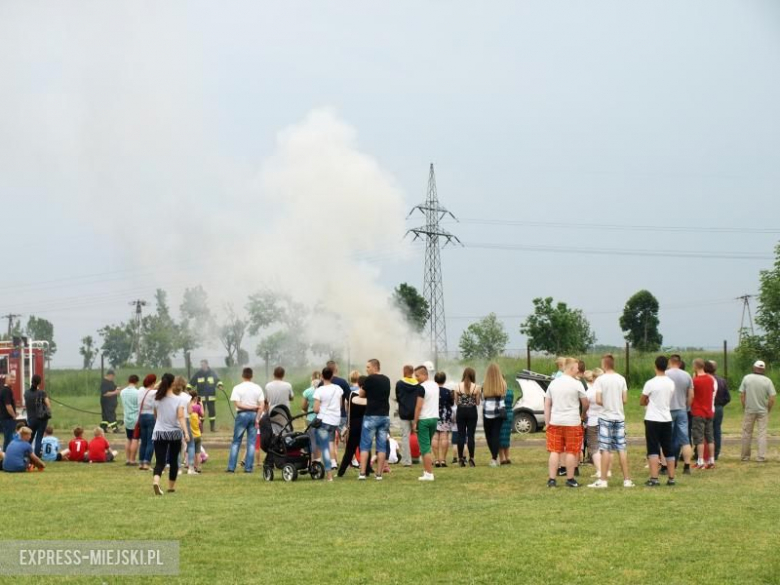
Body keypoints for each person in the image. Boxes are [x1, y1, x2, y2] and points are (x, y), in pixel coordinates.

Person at [590, 354, 634, 489]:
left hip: (605, 417)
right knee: (621, 449)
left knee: (605, 449)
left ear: (604, 364)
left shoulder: (600, 380)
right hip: (619, 417)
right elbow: (625, 399)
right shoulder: (621, 379)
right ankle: (627, 479)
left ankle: (603, 480)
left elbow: (598, 399)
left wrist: (607, 403)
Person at [545, 358, 588, 488]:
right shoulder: (577, 384)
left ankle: (552, 479)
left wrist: (548, 422)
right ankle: (570, 479)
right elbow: (585, 403)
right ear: (570, 368)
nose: (578, 370)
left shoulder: (553, 383)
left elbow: (547, 404)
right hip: (572, 422)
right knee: (571, 451)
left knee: (555, 450)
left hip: (556, 421)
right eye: (576, 368)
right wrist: (583, 414)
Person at [640, 356, 677, 487]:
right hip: (666, 418)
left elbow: (642, 400)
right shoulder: (671, 383)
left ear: (655, 366)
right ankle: (671, 477)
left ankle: (654, 477)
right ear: (666, 366)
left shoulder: (650, 383)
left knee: (653, 448)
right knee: (668, 447)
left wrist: (649, 400)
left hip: (652, 418)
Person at [152, 374, 190, 495]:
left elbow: (155, 414)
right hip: (174, 433)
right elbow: (180, 417)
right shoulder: (178, 399)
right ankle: (171, 487)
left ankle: (156, 481)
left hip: (159, 433)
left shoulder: (156, 397)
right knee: (174, 461)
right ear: (173, 383)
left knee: (160, 461)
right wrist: (186, 432)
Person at [227, 368, 264, 474]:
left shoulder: (237, 388)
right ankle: (248, 468)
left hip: (241, 415)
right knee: (251, 443)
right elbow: (261, 405)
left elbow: (238, 404)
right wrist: (257, 417)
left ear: (242, 376)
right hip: (253, 415)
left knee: (236, 442)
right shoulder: (257, 388)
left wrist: (249, 407)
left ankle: (231, 467)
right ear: (252, 376)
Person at [358, 359, 391, 481]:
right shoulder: (386, 379)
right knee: (381, 446)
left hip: (371, 415)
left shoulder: (370, 379)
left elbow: (361, 394)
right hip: (384, 416)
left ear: (374, 367)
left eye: (368, 367)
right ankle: (379, 474)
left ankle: (362, 473)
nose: (366, 369)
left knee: (365, 445)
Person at [740, 360, 776, 462]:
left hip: (749, 409)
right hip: (762, 410)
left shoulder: (746, 378)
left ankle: (745, 457)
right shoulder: (767, 381)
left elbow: (742, 394)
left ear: (754, 368)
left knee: (747, 433)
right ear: (763, 369)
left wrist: (745, 406)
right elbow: (772, 398)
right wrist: (768, 409)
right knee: (762, 433)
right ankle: (761, 457)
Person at [338, 376, 373, 477]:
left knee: (350, 449)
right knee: (365, 448)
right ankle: (367, 469)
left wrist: (347, 426)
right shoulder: (369, 397)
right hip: (366, 424)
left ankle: (341, 471)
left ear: (358, 383)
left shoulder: (351, 395)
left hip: (354, 424)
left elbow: (347, 410)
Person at [666, 354, 694, 474]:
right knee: (685, 439)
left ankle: (669, 464)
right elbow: (691, 395)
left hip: (668, 410)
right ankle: (687, 466)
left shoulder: (665, 374)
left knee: (668, 438)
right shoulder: (687, 375)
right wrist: (686, 406)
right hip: (682, 409)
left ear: (670, 362)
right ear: (679, 362)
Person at [313, 367, 342, 481]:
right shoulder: (338, 388)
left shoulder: (319, 390)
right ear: (332, 376)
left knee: (324, 447)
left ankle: (329, 475)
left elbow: (316, 409)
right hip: (335, 421)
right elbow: (339, 405)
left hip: (324, 421)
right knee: (330, 443)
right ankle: (333, 462)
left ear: (321, 376)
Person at [412, 365, 440, 481]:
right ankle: (426, 470)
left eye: (417, 376)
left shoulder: (421, 388)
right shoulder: (435, 385)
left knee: (424, 448)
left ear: (424, 374)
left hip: (424, 419)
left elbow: (419, 406)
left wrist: (415, 422)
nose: (416, 378)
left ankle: (429, 474)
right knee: (427, 445)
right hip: (434, 418)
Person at [691, 359, 716, 470]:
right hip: (709, 411)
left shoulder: (695, 381)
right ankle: (711, 459)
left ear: (695, 367)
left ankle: (700, 460)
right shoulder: (710, 379)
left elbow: (692, 394)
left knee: (699, 437)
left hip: (698, 410)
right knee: (710, 437)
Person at [482, 363, 507, 468]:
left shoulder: (484, 384)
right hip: (499, 412)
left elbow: (482, 399)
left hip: (487, 412)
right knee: (496, 435)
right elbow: (503, 398)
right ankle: (493, 458)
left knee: (489, 436)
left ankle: (494, 457)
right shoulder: (503, 383)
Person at [453, 368, 480, 467]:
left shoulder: (457, 387)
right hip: (472, 411)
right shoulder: (476, 387)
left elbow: (456, 402)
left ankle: (460, 459)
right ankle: (471, 458)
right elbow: (477, 402)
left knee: (461, 435)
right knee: (471, 435)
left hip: (461, 411)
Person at [395, 365, 419, 468]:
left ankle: (406, 461)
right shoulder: (418, 384)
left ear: (404, 371)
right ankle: (421, 457)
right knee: (419, 436)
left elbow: (398, 397)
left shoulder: (399, 383)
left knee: (405, 437)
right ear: (413, 372)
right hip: (415, 414)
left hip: (404, 413)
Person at [190, 360, 222, 432]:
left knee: (212, 412)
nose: (202, 366)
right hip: (201, 396)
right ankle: (200, 428)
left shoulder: (212, 373)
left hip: (211, 396)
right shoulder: (198, 374)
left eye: (203, 365)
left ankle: (212, 428)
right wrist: (188, 388)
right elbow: (192, 382)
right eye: (201, 365)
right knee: (201, 412)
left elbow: (217, 380)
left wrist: (219, 385)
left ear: (207, 364)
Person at [584, 369, 604, 478]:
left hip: (592, 420)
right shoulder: (607, 391)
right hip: (606, 419)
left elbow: (585, 405)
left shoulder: (589, 392)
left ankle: (600, 470)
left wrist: (583, 415)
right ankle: (606, 469)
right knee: (604, 446)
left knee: (593, 447)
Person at [24, 374, 51, 458]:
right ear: (40, 382)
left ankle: (26, 455)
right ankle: (37, 457)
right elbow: (48, 405)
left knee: (30, 438)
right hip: (41, 419)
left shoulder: (26, 393)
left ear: (32, 381)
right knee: (39, 438)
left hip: (31, 418)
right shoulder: (42, 393)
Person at [136, 374, 157, 471]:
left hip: (141, 417)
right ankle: (147, 463)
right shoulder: (153, 393)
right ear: (153, 382)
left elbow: (151, 389)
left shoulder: (140, 390)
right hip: (150, 416)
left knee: (143, 441)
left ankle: (141, 462)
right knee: (151, 441)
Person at [301, 371, 323, 462]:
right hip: (322, 417)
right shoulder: (323, 390)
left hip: (310, 418)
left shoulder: (308, 391)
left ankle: (313, 459)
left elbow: (303, 406)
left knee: (312, 439)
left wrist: (307, 409)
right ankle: (319, 459)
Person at [710, 361, 730, 461]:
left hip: (709, 407)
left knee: (706, 431)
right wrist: (721, 405)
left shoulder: (707, 380)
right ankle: (716, 452)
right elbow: (728, 397)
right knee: (717, 430)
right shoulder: (722, 381)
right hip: (719, 408)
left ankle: (701, 453)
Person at [433, 372, 453, 468]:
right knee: (444, 438)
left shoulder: (432, 391)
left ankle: (436, 459)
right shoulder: (447, 392)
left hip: (433, 416)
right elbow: (451, 403)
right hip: (445, 417)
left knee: (435, 438)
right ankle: (443, 459)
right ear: (444, 380)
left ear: (435, 379)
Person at [120, 375, 140, 466]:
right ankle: (133, 459)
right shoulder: (137, 392)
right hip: (135, 418)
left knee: (128, 439)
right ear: (136, 382)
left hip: (127, 418)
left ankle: (127, 459)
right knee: (135, 439)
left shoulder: (122, 392)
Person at [99, 369, 121, 434]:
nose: (113, 378)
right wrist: (115, 392)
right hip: (106, 403)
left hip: (111, 403)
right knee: (111, 416)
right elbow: (105, 393)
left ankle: (103, 428)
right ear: (110, 375)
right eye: (113, 376)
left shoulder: (111, 382)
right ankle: (115, 429)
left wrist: (119, 388)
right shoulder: (104, 383)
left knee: (105, 416)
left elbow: (114, 387)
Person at [187, 390, 203, 474]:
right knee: (198, 452)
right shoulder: (197, 413)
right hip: (198, 435)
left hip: (191, 435)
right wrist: (201, 404)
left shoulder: (188, 416)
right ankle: (198, 466)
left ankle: (189, 465)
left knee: (189, 451)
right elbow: (202, 416)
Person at [0, 374, 17, 451]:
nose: (13, 382)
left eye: (14, 380)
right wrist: (14, 415)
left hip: (6, 418)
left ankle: (6, 454)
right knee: (9, 438)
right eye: (11, 380)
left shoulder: (6, 390)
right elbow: (8, 405)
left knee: (9, 438)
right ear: (6, 380)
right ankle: (5, 455)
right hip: (7, 419)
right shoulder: (6, 390)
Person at [499, 381, 514, 465]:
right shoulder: (510, 392)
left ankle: (502, 458)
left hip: (501, 414)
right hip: (509, 413)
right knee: (507, 436)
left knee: (500, 436)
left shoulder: (498, 392)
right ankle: (508, 457)